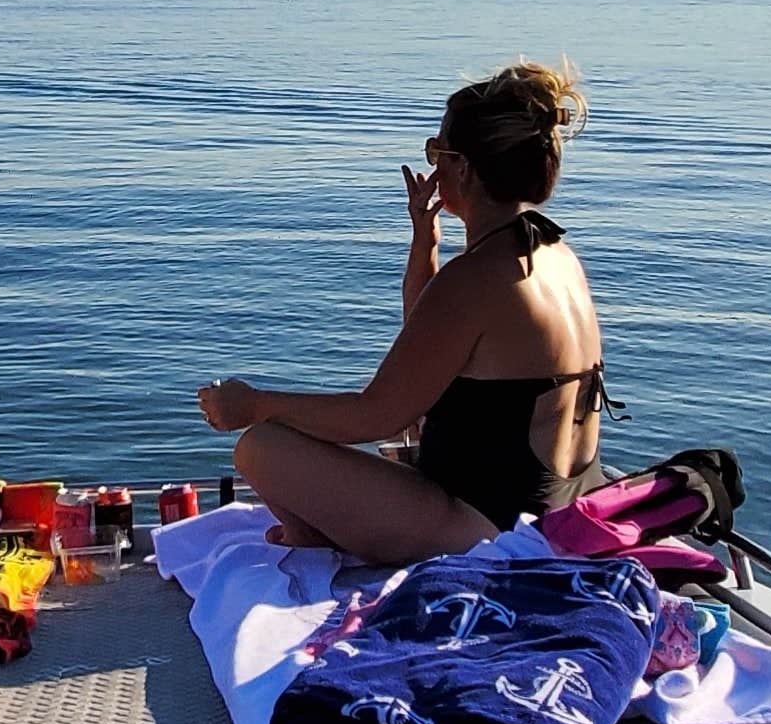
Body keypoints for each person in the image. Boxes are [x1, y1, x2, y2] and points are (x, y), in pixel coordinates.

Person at [198, 59, 606, 564]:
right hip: (560, 512)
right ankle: (331, 535)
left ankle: (316, 539)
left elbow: (377, 415)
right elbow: (429, 347)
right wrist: (424, 243)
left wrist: (252, 403)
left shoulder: (477, 278)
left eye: (438, 152)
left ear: (464, 168)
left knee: (262, 447)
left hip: (490, 531)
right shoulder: (554, 256)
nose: (433, 167)